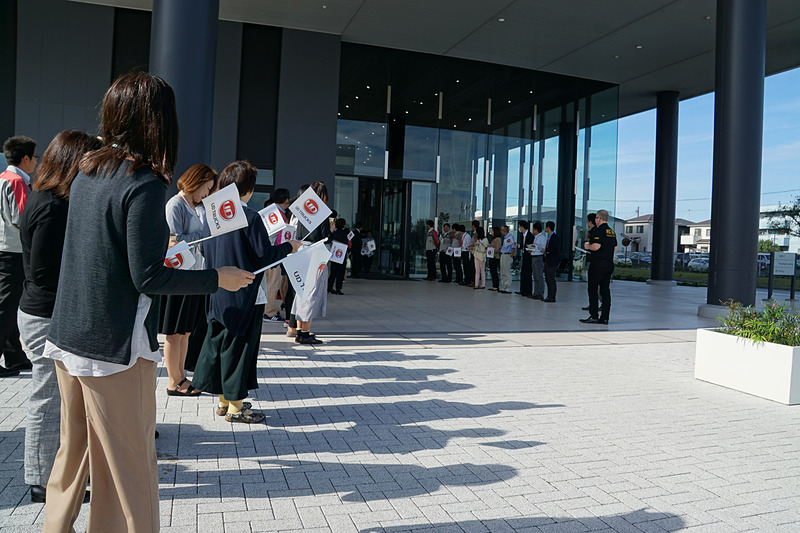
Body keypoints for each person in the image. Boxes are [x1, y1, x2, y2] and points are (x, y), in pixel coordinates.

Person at [41, 72, 255, 533]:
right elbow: (149, 275)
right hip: (113, 344)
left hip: (68, 334)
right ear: (159, 122)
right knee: (130, 468)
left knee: (72, 453)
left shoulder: (87, 171)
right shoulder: (143, 183)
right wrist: (217, 277)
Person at [18, 130, 101, 504]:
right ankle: (39, 479)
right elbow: (42, 271)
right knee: (49, 398)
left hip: (44, 311)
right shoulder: (52, 206)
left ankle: (53, 474)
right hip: (45, 314)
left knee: (56, 398)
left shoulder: (47, 195)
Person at [192, 160, 298, 423]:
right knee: (239, 348)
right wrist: (289, 247)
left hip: (216, 291)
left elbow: (205, 251)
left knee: (220, 343)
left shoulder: (212, 216)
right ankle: (237, 408)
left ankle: (224, 401)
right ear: (248, 189)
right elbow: (263, 256)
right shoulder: (250, 217)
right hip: (245, 291)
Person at [160, 164, 218, 397]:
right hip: (179, 275)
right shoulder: (175, 204)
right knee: (175, 331)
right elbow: (174, 240)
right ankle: (174, 381)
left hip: (192, 274)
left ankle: (181, 376)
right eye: (206, 188)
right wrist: (205, 235)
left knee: (185, 331)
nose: (206, 194)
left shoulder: (193, 206)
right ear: (195, 182)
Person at [0, 135, 37, 377]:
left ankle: (15, 356)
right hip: (13, 251)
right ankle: (13, 355)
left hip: (6, 249)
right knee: (6, 306)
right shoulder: (17, 181)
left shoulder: (4, 177)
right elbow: (23, 219)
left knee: (9, 305)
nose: (36, 161)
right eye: (35, 157)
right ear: (25, 158)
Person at [290, 180, 332, 345]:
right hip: (315, 254)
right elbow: (325, 237)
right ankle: (305, 333)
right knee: (311, 294)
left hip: (302, 252)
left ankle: (300, 330)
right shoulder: (322, 213)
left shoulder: (302, 213)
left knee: (301, 293)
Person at [581, 209, 617, 325]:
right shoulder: (611, 231)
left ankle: (594, 315)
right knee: (605, 290)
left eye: (596, 218)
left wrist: (587, 246)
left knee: (592, 289)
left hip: (598, 264)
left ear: (599, 219)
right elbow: (615, 248)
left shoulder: (598, 230)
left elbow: (596, 246)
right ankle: (605, 317)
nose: (595, 220)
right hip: (608, 264)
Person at [263, 188, 291, 321]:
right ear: (286, 200)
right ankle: (269, 312)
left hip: (265, 252)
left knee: (268, 283)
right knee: (272, 283)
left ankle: (265, 310)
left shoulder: (269, 211)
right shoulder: (280, 214)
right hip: (274, 253)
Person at [328, 217, 348, 295]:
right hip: (341, 255)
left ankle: (329, 287)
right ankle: (338, 289)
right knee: (340, 273)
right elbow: (346, 244)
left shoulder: (334, 233)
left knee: (333, 272)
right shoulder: (344, 234)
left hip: (334, 255)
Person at [582, 213, 597, 311]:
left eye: (588, 221)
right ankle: (593, 305)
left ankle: (595, 306)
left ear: (590, 222)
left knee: (594, 286)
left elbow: (594, 247)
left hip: (594, 260)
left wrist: (588, 247)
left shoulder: (595, 232)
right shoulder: (593, 231)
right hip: (592, 259)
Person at [543, 221, 560, 302]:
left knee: (551, 279)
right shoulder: (549, 237)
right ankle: (549, 295)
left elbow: (556, 249)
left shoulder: (554, 237)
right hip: (548, 260)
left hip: (552, 261)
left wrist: (547, 251)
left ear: (548, 228)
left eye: (546, 227)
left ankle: (552, 297)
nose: (545, 229)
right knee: (547, 278)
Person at [516, 220, 534, 296]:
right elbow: (523, 246)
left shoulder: (530, 235)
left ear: (522, 227)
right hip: (524, 255)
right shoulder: (522, 235)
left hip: (529, 257)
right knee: (523, 273)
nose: (519, 228)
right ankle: (522, 290)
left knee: (528, 274)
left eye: (519, 226)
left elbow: (530, 246)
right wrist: (518, 246)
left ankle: (528, 291)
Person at [529, 222, 546, 300]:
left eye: (533, 229)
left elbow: (543, 249)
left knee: (539, 276)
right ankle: (536, 292)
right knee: (535, 276)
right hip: (534, 256)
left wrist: (537, 250)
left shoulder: (542, 237)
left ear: (536, 229)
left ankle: (540, 293)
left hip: (538, 257)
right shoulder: (536, 237)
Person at [499, 225, 515, 294]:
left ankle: (508, 287)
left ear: (504, 230)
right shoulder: (505, 238)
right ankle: (504, 286)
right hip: (503, 254)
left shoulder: (510, 237)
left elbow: (513, 247)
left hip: (507, 255)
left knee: (507, 271)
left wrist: (511, 255)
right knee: (502, 271)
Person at [488, 226, 502, 291]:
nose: (491, 232)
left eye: (492, 231)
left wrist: (491, 247)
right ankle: (494, 285)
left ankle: (496, 285)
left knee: (494, 271)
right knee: (492, 271)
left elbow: (497, 249)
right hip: (491, 256)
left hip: (495, 257)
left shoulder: (498, 239)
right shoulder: (493, 239)